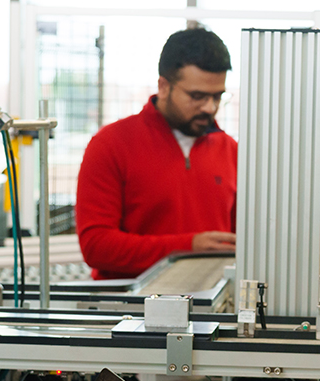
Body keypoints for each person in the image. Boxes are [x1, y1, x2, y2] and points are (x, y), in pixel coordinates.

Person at [75, 26, 237, 279]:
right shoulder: (111, 144)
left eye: (218, 96)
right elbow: (96, 246)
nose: (210, 107)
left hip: (209, 304)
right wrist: (187, 248)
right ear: (163, 86)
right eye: (197, 96)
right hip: (128, 308)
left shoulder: (230, 151)